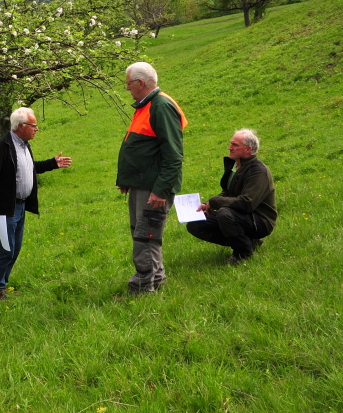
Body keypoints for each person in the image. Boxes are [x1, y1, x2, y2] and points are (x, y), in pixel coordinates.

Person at [0, 107, 72, 300]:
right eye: (33, 125)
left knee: (15, 249)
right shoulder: (1, 147)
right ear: (21, 126)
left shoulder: (24, 146)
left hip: (20, 207)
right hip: (5, 208)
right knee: (6, 249)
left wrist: (53, 164)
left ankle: (1, 286)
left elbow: (30, 168)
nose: (36, 129)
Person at [117, 62, 187, 294]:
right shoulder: (146, 106)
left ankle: (144, 286)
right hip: (142, 184)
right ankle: (155, 278)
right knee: (143, 231)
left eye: (128, 83)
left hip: (153, 187)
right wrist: (128, 179)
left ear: (140, 83)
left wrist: (161, 190)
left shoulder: (161, 106)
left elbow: (173, 155)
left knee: (146, 234)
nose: (127, 88)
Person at [187, 129, 276, 265]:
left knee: (225, 214)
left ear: (248, 150)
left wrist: (215, 202)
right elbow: (228, 193)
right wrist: (207, 204)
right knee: (195, 223)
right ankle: (247, 241)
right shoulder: (236, 167)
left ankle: (242, 253)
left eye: (235, 145)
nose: (230, 148)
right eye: (231, 144)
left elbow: (247, 203)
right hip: (240, 216)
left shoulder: (258, 172)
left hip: (259, 221)